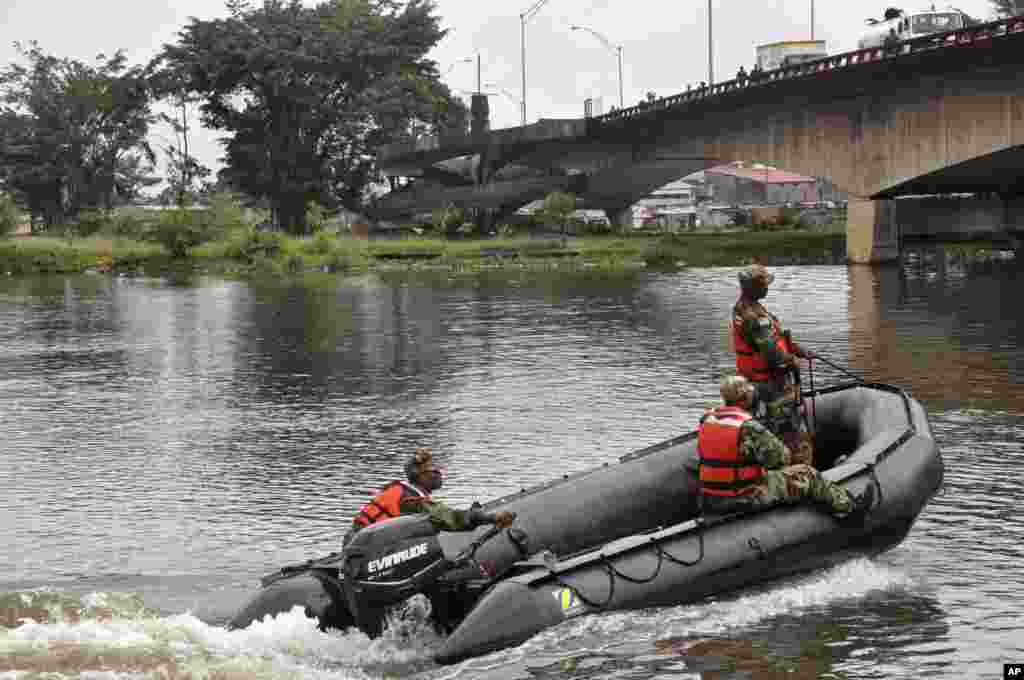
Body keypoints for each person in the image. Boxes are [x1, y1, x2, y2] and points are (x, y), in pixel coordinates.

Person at [697, 375, 874, 520]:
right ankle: (851, 510)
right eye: (750, 394)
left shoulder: (707, 420)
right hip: (744, 497)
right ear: (743, 400)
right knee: (807, 473)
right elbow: (781, 458)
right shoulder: (748, 426)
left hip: (711, 498)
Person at [346, 448, 515, 544]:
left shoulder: (397, 489)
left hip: (356, 541)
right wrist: (490, 517)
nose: (438, 474)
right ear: (420, 476)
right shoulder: (412, 501)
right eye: (433, 471)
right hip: (371, 547)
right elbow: (450, 518)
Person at [731, 263, 815, 455]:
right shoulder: (753, 316)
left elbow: (774, 339)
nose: (767, 287)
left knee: (769, 424)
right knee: (789, 429)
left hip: (756, 378)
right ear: (753, 287)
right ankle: (796, 470)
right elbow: (771, 352)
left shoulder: (746, 307)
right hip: (769, 382)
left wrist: (799, 350)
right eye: (764, 284)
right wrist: (791, 359)